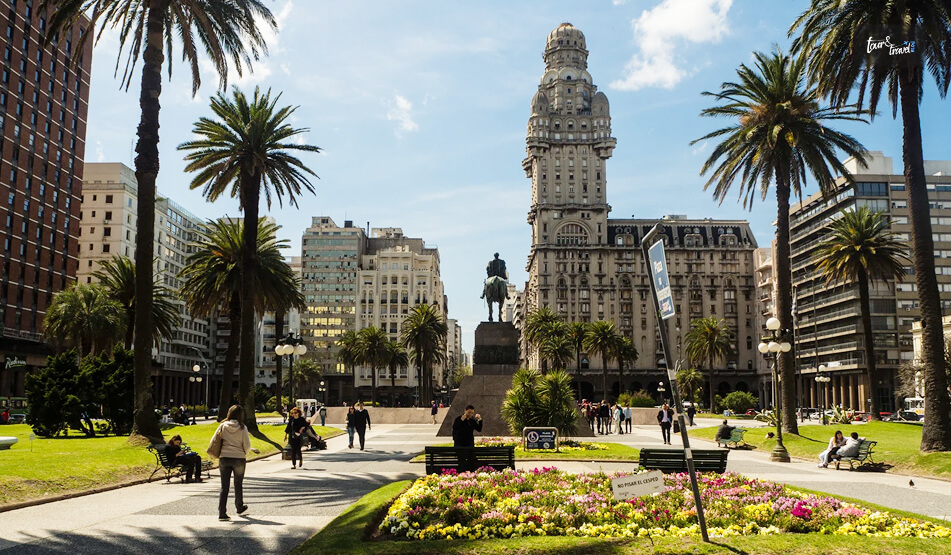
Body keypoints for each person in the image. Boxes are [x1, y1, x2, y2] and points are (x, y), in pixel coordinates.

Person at [210, 405, 252, 521]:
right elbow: (247, 444)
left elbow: (213, 440)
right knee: (238, 484)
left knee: (224, 486)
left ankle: (222, 512)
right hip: (238, 458)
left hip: (224, 457)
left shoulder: (223, 426)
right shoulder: (242, 427)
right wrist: (244, 452)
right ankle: (239, 506)